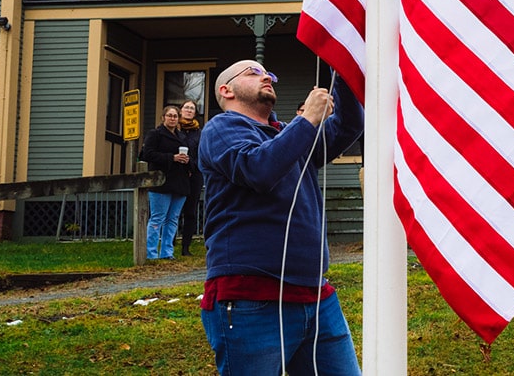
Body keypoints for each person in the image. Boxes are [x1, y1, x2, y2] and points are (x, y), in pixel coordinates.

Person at [197, 60, 363, 375]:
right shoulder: (220, 128)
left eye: (269, 73)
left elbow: (349, 125)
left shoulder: (289, 134)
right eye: (253, 73)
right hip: (250, 298)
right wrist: (310, 118)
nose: (266, 76)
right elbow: (260, 170)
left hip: (316, 297)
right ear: (226, 90)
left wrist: (338, 64)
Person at [139, 106, 194, 260]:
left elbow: (192, 157)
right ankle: (151, 253)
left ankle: (167, 252)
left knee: (172, 219)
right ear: (163, 117)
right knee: (157, 218)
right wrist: (172, 158)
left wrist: (187, 161)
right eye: (169, 115)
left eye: (175, 116)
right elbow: (147, 154)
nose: (172, 118)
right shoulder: (155, 134)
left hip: (180, 182)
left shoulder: (182, 137)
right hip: (161, 182)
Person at [177, 100, 203, 256]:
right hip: (177, 174)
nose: (188, 110)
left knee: (190, 212)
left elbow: (202, 153)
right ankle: (169, 244)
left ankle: (186, 247)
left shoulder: (200, 133)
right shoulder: (175, 130)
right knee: (174, 211)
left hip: (195, 174)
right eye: (186, 107)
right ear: (181, 110)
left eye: (192, 108)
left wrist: (192, 167)